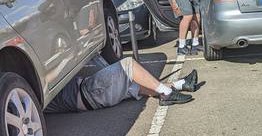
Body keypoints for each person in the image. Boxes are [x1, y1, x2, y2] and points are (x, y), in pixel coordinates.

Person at [45, 55, 200, 113]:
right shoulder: (40, 84)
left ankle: (180, 84)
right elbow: (51, 75)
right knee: (128, 65)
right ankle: (167, 93)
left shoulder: (34, 96)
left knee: (137, 85)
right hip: (90, 91)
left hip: (91, 96)